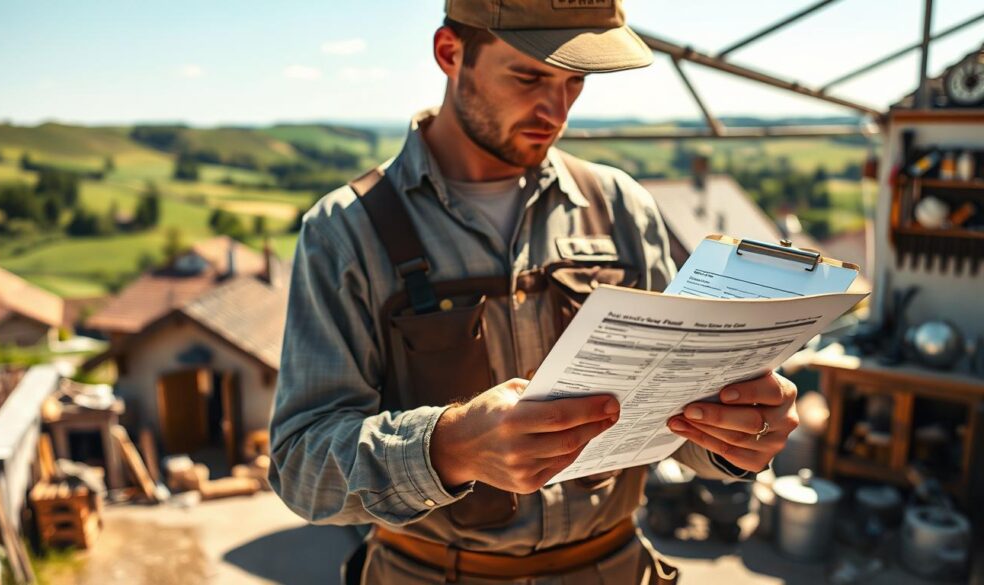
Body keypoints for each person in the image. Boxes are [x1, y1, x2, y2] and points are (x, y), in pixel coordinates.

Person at [270, 1, 800, 583]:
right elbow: (301, 466)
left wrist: (735, 436)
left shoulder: (620, 207)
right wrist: (447, 448)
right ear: (451, 54)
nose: (556, 110)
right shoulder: (347, 231)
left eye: (575, 82)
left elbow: (668, 426)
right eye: (529, 76)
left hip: (614, 568)